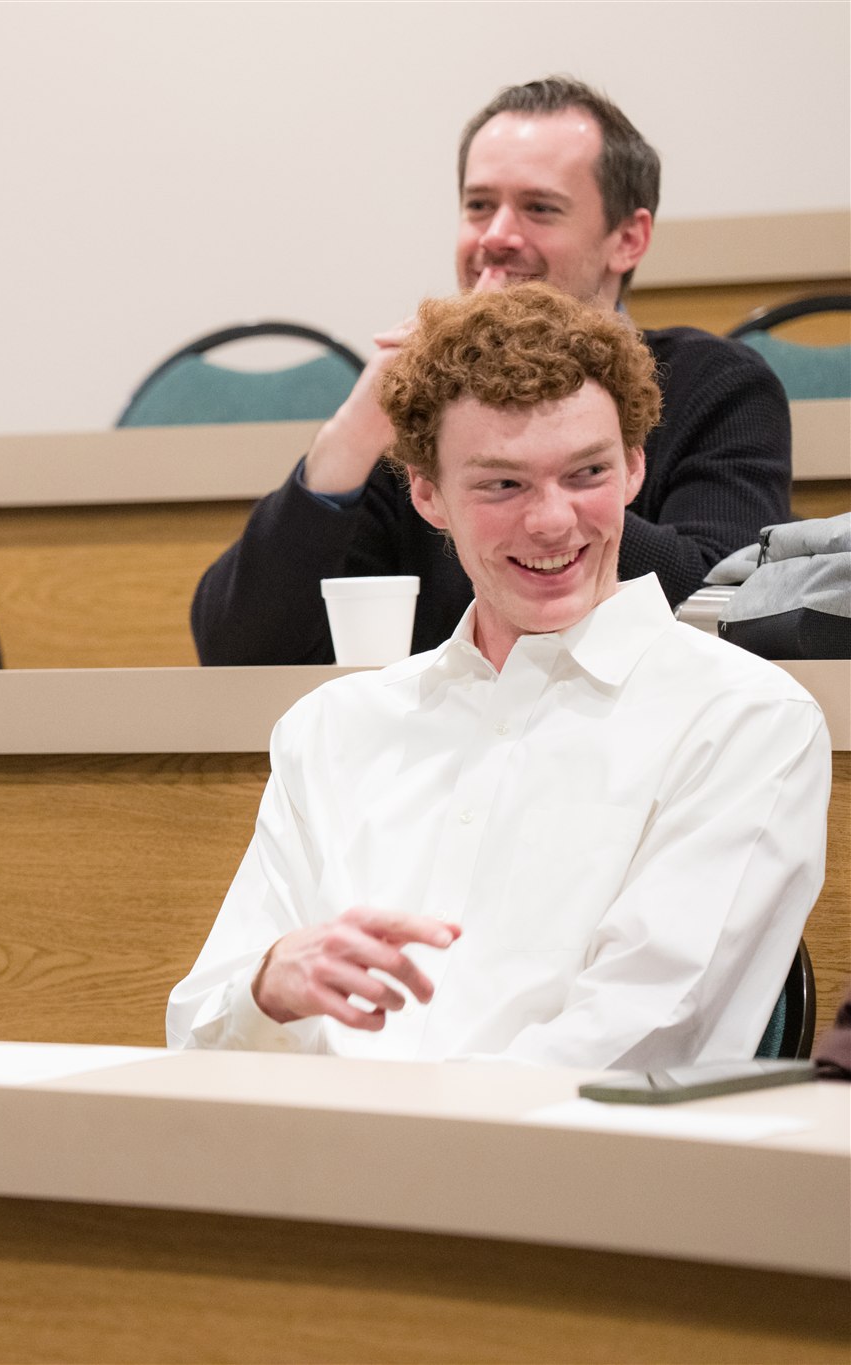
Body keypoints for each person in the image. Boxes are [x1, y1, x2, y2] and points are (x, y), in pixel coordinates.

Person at [165, 285, 829, 1069]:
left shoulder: (746, 720)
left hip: (562, 1182)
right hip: (310, 1166)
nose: (550, 521)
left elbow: (645, 1035)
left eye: (585, 472)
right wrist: (269, 987)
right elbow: (199, 1032)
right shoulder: (331, 728)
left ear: (634, 468)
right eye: (502, 484)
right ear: (426, 494)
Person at [190, 76, 792, 665]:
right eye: (479, 206)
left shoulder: (719, 385)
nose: (498, 236)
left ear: (628, 239)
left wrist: (536, 497)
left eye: (539, 208)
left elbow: (726, 603)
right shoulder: (418, 408)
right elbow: (240, 648)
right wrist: (353, 434)